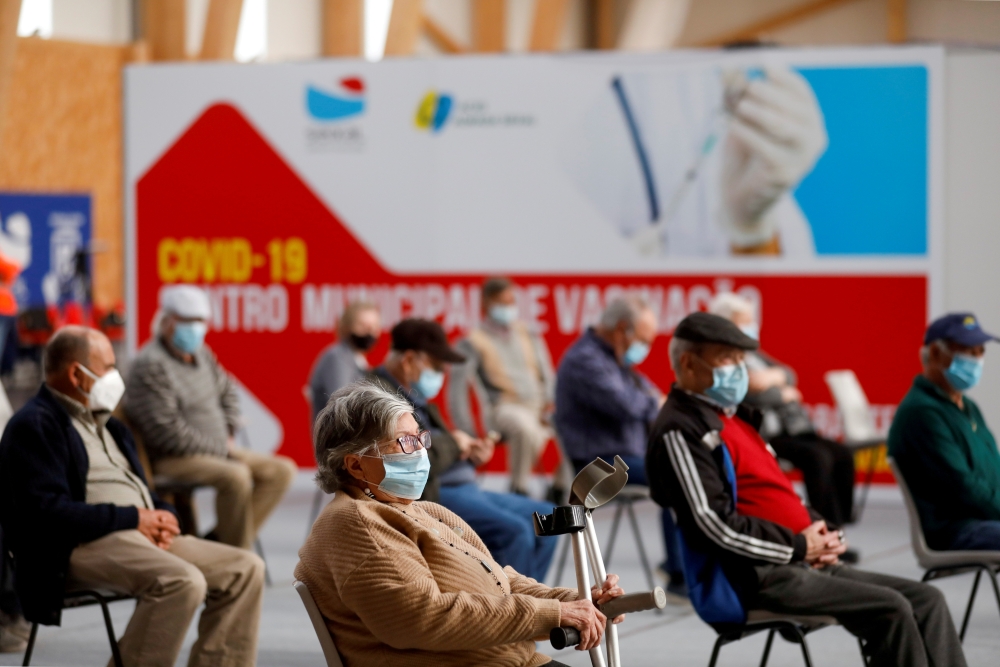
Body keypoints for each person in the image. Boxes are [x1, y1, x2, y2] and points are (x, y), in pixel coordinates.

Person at [648, 312, 965, 667]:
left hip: (801, 560)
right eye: (727, 358)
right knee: (891, 609)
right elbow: (712, 522)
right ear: (689, 363)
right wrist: (798, 545)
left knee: (927, 599)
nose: (740, 369)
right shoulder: (682, 430)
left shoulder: (736, 418)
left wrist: (822, 532)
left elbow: (779, 493)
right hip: (755, 575)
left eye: (741, 359)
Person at [297, 381, 625, 667]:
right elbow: (422, 616)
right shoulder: (357, 523)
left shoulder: (424, 511)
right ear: (355, 464)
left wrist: (578, 601)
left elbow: (499, 581)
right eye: (405, 442)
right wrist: (553, 614)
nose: (421, 453)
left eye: (419, 439)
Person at [0, 326, 264, 667]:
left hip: (136, 533)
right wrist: (135, 518)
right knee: (181, 581)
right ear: (76, 373)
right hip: (73, 546)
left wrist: (164, 515)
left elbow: (141, 490)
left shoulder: (112, 427)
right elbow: (47, 513)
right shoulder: (36, 425)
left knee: (245, 569)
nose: (115, 375)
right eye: (108, 366)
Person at [370, 318, 557, 581]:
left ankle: (530, 605)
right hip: (432, 494)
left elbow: (436, 446)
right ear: (409, 359)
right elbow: (402, 458)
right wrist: (454, 443)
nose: (442, 373)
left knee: (549, 517)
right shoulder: (379, 398)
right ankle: (515, 613)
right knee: (515, 532)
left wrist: (470, 455)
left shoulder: (412, 393)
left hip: (461, 486)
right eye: (435, 366)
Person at [124, 285, 296, 549]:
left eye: (200, 321)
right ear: (168, 322)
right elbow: (166, 433)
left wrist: (229, 426)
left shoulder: (202, 355)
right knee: (235, 477)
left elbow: (227, 391)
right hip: (173, 458)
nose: (195, 328)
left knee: (281, 471)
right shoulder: (151, 364)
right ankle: (236, 558)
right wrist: (220, 448)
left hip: (218, 449)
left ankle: (220, 545)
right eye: (188, 321)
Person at [554, 297, 686, 600]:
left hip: (625, 459)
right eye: (642, 340)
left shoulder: (615, 359)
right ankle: (678, 574)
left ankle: (685, 569)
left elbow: (651, 397)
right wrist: (655, 403)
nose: (644, 348)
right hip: (597, 467)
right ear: (622, 329)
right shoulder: (585, 360)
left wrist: (655, 403)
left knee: (684, 469)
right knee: (674, 475)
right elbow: (630, 405)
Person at [709, 292, 856, 530]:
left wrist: (770, 377)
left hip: (796, 427)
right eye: (744, 321)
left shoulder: (754, 354)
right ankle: (822, 528)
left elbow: (789, 373)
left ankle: (839, 526)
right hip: (768, 433)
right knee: (819, 458)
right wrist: (781, 391)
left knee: (841, 454)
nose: (751, 326)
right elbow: (751, 393)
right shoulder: (725, 358)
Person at [888, 313, 1000, 551]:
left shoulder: (967, 407)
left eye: (981, 352)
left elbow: (993, 470)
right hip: (955, 528)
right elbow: (965, 488)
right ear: (937, 354)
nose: (977, 360)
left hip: (984, 519)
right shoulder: (922, 413)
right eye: (968, 352)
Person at [449, 277, 562, 496]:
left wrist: (551, 401)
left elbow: (547, 373)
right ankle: (518, 489)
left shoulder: (527, 333)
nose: (509, 308)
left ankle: (558, 489)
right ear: (486, 304)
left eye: (511, 302)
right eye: (502, 303)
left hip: (539, 405)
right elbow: (457, 392)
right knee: (525, 428)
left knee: (573, 426)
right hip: (504, 407)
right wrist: (468, 432)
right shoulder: (472, 341)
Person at [308, 300, 382, 422]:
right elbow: (342, 403)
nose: (369, 332)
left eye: (374, 327)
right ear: (347, 327)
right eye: (362, 325)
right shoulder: (337, 357)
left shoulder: (358, 359)